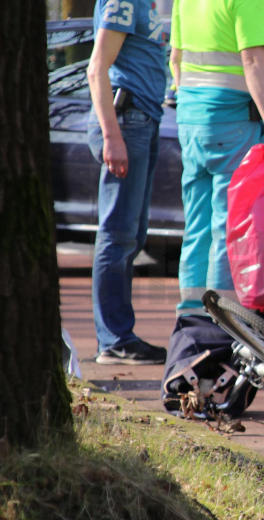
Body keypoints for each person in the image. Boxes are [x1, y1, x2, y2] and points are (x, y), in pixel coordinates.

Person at [169, 0, 264, 316]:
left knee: (197, 223)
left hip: (191, 119)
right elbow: (253, 61)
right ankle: (222, 322)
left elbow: (176, 60)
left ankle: (191, 318)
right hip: (233, 120)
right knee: (230, 226)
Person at [86, 0, 168, 365]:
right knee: (118, 235)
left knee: (131, 235)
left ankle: (119, 335)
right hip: (126, 120)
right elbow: (97, 67)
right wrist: (111, 136)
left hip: (141, 118)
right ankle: (114, 340)